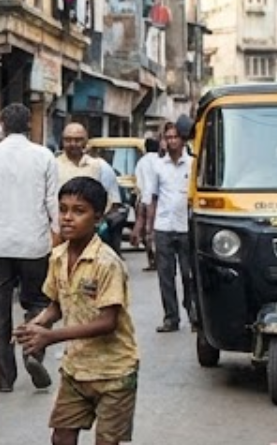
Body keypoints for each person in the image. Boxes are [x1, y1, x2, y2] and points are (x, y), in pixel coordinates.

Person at [17, 176, 168, 445]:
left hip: (115, 370)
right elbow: (57, 304)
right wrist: (35, 325)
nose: (68, 218)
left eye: (79, 212)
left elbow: (108, 321)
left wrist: (50, 337)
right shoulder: (56, 257)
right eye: (64, 210)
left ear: (98, 218)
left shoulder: (106, 262)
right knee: (62, 442)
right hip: (76, 368)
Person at [0, 103, 59, 393]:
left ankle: (4, 379)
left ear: (2, 124)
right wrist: (57, 239)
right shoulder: (44, 156)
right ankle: (33, 352)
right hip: (35, 245)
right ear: (29, 124)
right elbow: (52, 201)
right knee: (38, 303)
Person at [135, 119, 194, 332]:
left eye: (175, 137)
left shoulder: (193, 164)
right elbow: (151, 197)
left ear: (182, 139)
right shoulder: (158, 166)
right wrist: (148, 228)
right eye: (168, 137)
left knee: (189, 274)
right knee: (165, 276)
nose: (171, 141)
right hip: (164, 227)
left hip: (187, 228)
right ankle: (171, 318)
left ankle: (193, 313)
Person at [53, 123, 125, 254]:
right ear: (62, 142)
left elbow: (113, 202)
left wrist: (98, 226)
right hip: (59, 237)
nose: (73, 143)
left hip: (92, 238)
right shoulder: (52, 166)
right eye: (68, 139)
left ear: (85, 142)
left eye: (77, 140)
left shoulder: (100, 167)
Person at [135, 136, 162, 270]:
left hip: (145, 200)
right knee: (157, 230)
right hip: (159, 200)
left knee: (147, 229)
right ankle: (158, 258)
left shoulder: (142, 162)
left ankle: (151, 259)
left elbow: (138, 182)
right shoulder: (161, 161)